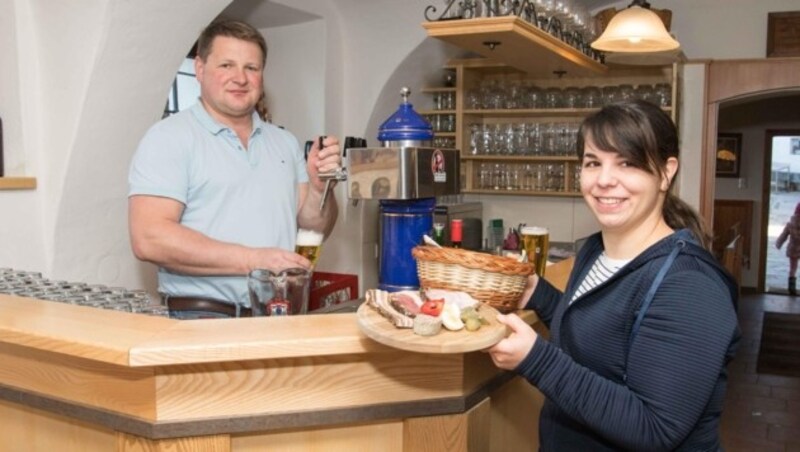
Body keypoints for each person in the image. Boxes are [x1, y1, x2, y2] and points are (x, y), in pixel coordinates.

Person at [488, 100, 741, 451]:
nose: (604, 180)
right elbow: (602, 334)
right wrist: (537, 292)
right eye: (593, 163)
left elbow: (656, 428)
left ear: (666, 173)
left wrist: (536, 359)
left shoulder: (691, 285)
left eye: (628, 163)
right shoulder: (594, 251)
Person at [128, 19, 340, 318]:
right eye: (226, 65)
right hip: (203, 319)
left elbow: (314, 227)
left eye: (251, 68)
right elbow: (149, 238)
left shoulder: (284, 142)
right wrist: (253, 260)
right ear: (200, 69)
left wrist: (322, 189)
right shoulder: (169, 138)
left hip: (278, 315)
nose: (240, 78)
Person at [776, 202, 800, 295]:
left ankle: (791, 288)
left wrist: (779, 243)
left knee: (793, 269)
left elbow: (784, 235)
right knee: (793, 268)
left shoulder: (790, 224)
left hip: (793, 249)